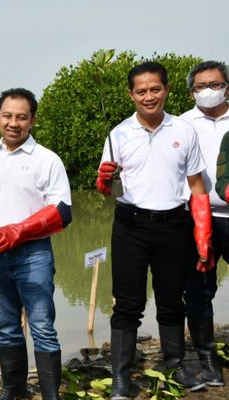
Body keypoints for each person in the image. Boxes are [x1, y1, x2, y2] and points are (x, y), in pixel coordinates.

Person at [96, 62, 212, 399]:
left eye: (155, 89)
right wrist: (103, 180)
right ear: (131, 95)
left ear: (167, 90)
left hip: (175, 225)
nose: (149, 96)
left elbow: (197, 187)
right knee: (127, 304)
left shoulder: (184, 130)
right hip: (130, 225)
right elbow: (108, 189)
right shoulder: (117, 135)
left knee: (172, 301)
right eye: (142, 91)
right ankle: (120, 376)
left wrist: (202, 236)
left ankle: (173, 365)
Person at [0, 88, 72, 400]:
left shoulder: (47, 160)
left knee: (42, 327)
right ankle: (13, 389)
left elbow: (63, 212)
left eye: (21, 117)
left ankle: (51, 394)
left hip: (33, 254)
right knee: (6, 326)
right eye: (7, 116)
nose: (14, 123)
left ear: (32, 120)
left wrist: (18, 231)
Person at [179, 60, 229, 387]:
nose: (207, 91)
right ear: (191, 91)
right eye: (200, 87)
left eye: (214, 84)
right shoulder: (181, 124)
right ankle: (207, 358)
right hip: (195, 219)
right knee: (197, 291)